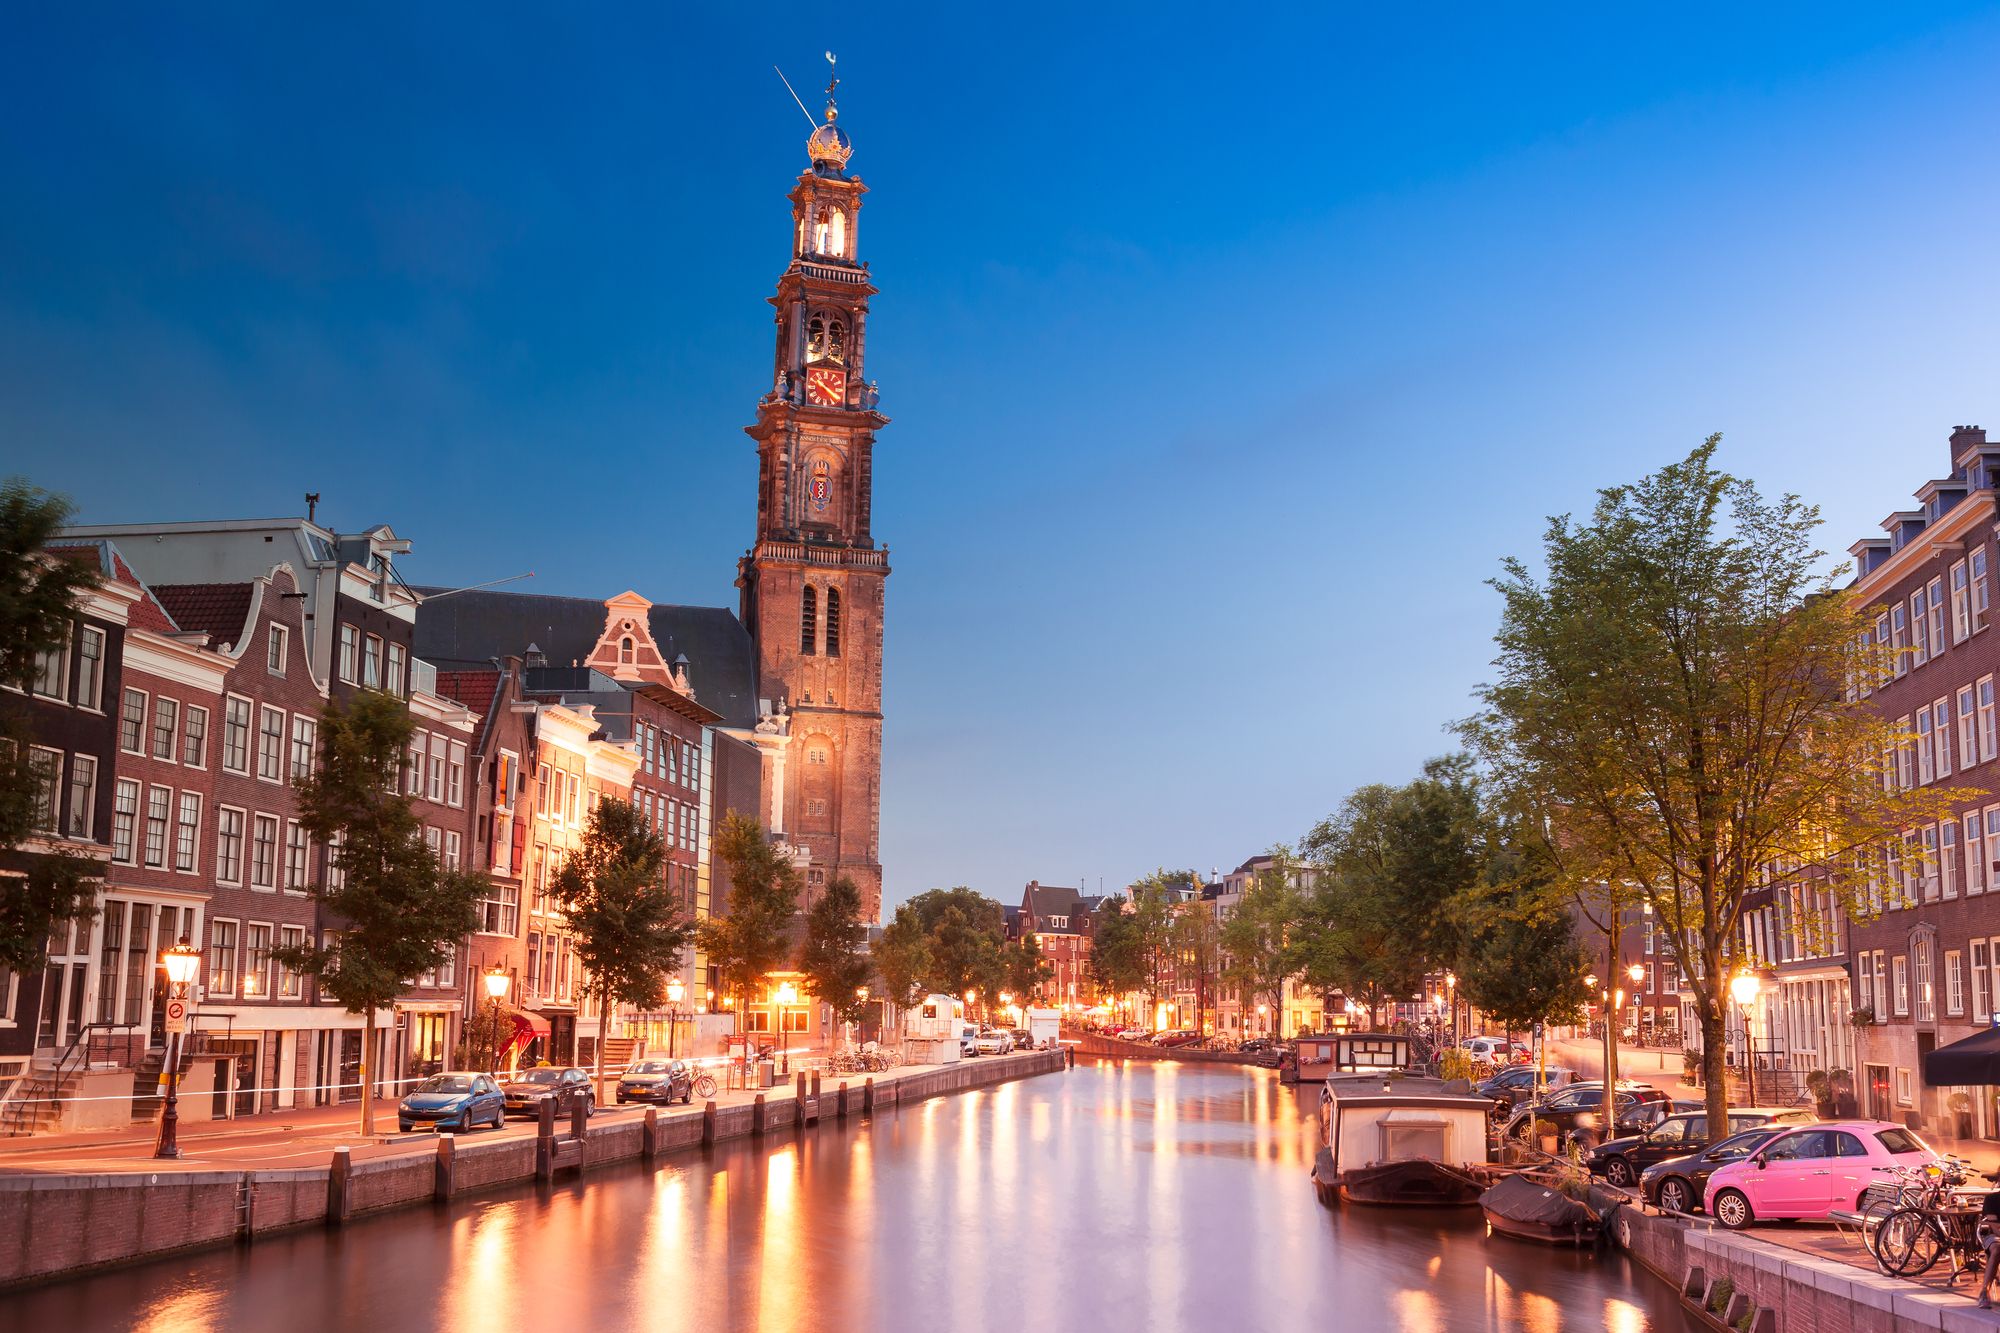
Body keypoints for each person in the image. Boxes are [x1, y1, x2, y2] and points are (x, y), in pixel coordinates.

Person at [1975, 1190, 2000, 1308]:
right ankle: (1984, 1291)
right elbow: (1995, 1228)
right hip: (1993, 1235)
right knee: (1997, 1249)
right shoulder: (1992, 1199)